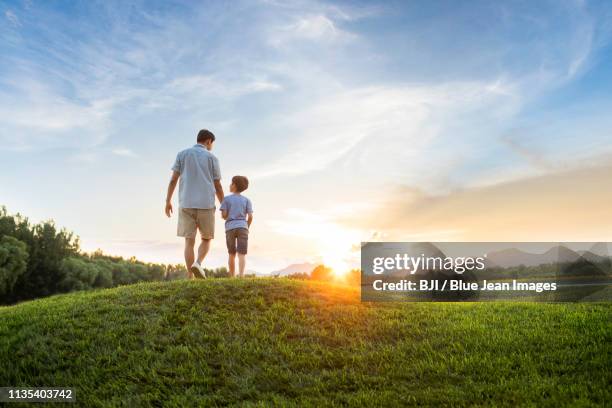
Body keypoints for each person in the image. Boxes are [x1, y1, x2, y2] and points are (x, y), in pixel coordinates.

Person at [165, 129, 224, 279]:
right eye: (212, 144)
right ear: (209, 141)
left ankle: (190, 277)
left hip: (186, 203)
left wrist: (168, 201)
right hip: (206, 204)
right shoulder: (212, 158)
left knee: (189, 242)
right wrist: (224, 205)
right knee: (206, 238)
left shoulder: (182, 154)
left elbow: (173, 180)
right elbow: (218, 185)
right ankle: (198, 263)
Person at [220, 176, 253, 278]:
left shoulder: (226, 199)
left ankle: (232, 276)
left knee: (231, 253)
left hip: (230, 228)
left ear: (234, 186)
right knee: (242, 253)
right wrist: (246, 226)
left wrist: (227, 213)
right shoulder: (247, 200)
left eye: (231, 183)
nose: (230, 185)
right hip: (243, 227)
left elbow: (224, 216)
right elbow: (250, 216)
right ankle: (242, 276)